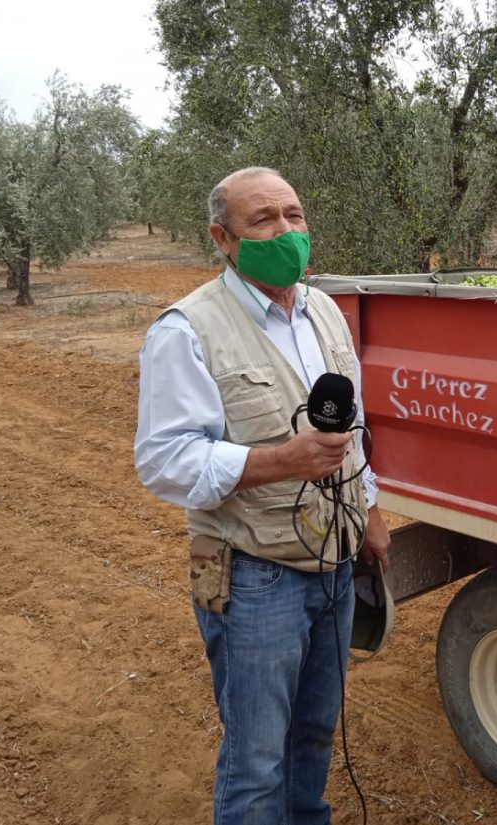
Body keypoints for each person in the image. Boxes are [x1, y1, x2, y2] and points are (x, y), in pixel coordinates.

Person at [134, 166, 391, 824]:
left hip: (332, 565)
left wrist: (372, 509)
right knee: (256, 757)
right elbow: (164, 460)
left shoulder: (324, 310)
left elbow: (352, 427)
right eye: (264, 220)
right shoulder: (185, 329)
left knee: (313, 735)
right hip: (253, 574)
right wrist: (280, 460)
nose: (285, 230)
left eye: (294, 214)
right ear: (223, 237)